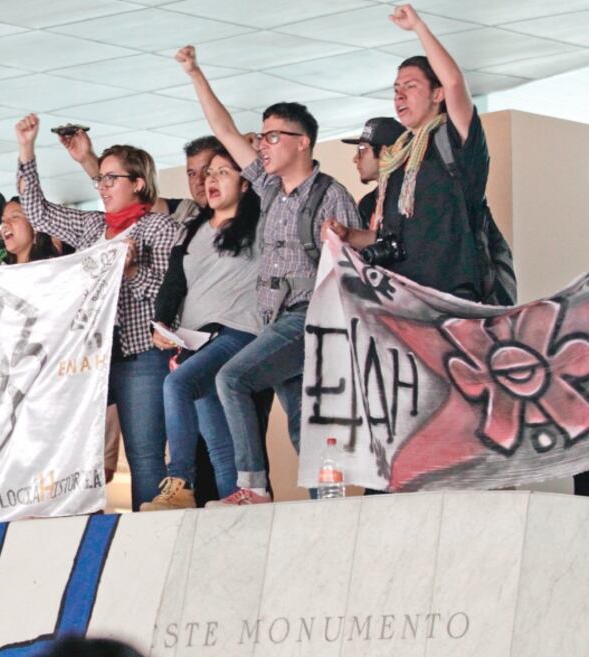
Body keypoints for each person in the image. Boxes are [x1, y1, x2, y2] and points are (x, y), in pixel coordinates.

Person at [174, 45, 361, 506]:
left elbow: (359, 263)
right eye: (262, 135)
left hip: (312, 317)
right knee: (302, 420)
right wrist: (196, 73)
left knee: (232, 379)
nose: (263, 144)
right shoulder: (270, 187)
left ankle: (253, 487)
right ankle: (329, 499)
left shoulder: (330, 195)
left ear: (303, 142)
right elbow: (223, 130)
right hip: (275, 320)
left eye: (274, 136)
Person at [15, 113, 182, 510]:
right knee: (68, 444)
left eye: (112, 179)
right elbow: (37, 213)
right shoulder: (93, 228)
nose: (103, 186)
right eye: (100, 179)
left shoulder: (161, 229)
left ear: (138, 183)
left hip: (143, 353)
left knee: (143, 456)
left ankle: (148, 531)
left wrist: (133, 272)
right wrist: (26, 150)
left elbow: (171, 297)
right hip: (91, 356)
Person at [329, 4, 489, 301]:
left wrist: (419, 28)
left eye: (411, 86)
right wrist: (348, 235)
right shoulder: (395, 162)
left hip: (452, 301)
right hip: (404, 304)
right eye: (396, 89)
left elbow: (454, 81)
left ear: (437, 94)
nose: (399, 95)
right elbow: (388, 239)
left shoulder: (452, 142)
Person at [140, 148, 263, 510]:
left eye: (223, 172)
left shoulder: (260, 222)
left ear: (245, 182)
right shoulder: (192, 229)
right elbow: (173, 285)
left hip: (239, 331)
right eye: (209, 174)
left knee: (177, 384)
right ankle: (234, 510)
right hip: (196, 339)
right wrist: (161, 324)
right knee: (219, 441)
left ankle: (179, 481)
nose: (211, 180)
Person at [61, 130, 220, 224]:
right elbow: (138, 200)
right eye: (191, 174)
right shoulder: (187, 212)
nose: (199, 181)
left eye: (207, 171)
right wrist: (86, 158)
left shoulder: (240, 221)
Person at [341, 117, 406, 227]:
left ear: (384, 152)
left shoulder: (409, 196)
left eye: (362, 149)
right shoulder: (367, 204)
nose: (355, 159)